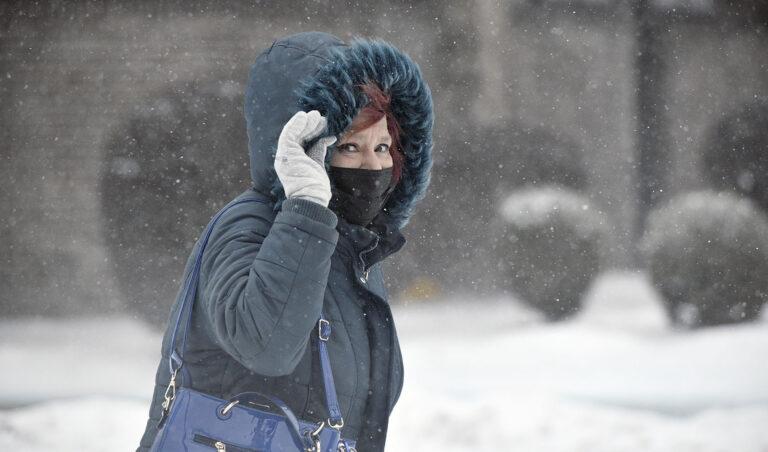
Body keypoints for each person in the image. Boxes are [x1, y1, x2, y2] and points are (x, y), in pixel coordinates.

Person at [137, 31, 434, 451]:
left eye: (383, 146)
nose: (374, 165)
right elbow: (266, 347)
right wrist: (308, 206)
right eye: (349, 146)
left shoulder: (351, 247)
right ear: (299, 146)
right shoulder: (250, 225)